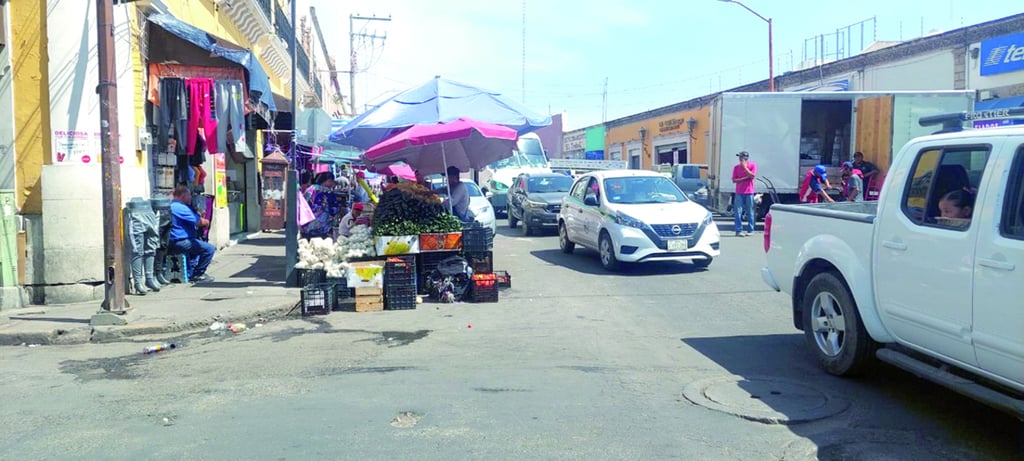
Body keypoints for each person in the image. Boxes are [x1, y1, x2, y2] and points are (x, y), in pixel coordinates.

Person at [168, 185, 215, 283]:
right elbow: (199, 222)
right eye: (189, 195)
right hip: (180, 241)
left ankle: (191, 270)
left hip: (173, 240)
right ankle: (198, 274)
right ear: (183, 195)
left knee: (196, 246)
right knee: (209, 249)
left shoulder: (172, 205)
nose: (190, 198)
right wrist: (206, 221)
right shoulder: (180, 207)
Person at [302, 172, 342, 239]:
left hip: (307, 226)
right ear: (329, 180)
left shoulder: (310, 189)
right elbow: (334, 210)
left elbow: (303, 204)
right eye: (332, 181)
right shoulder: (328, 192)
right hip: (322, 228)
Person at [731, 151, 757, 236]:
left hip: (749, 192)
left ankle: (750, 230)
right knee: (738, 212)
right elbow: (734, 180)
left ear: (745, 158)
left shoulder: (752, 165)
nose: (739, 159)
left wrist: (745, 168)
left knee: (750, 211)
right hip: (739, 192)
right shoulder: (736, 167)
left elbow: (752, 176)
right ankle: (738, 230)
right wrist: (745, 178)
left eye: (741, 157)